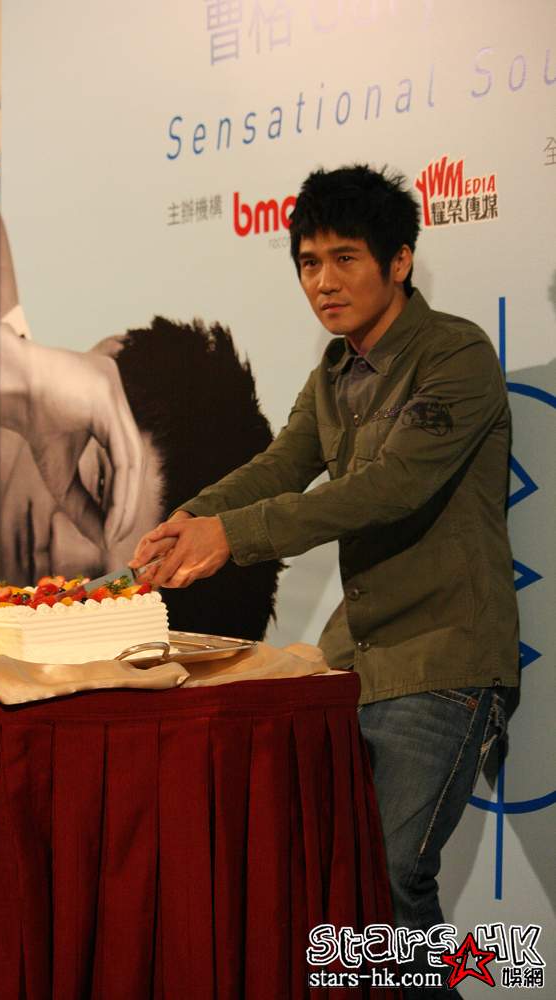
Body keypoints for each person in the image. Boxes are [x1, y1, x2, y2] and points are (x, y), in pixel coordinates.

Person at [131, 164, 519, 998]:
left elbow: (387, 489)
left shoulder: (456, 355)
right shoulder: (334, 373)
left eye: (345, 258)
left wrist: (233, 536)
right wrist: (189, 516)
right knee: (337, 883)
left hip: (443, 661)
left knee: (393, 877)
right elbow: (281, 466)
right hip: (351, 663)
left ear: (400, 261)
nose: (323, 282)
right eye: (309, 262)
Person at [0, 223, 280, 640]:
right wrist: (18, 371)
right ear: (106, 358)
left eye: (99, 584)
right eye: (101, 487)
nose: (59, 549)